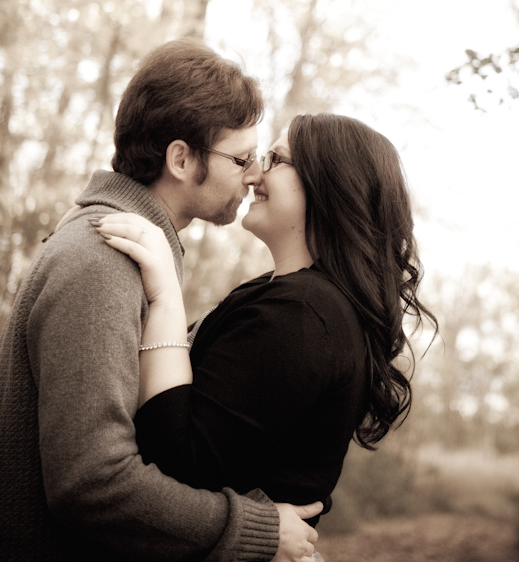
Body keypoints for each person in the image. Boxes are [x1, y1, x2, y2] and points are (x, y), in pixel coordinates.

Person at [0, 39, 321, 562]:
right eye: (240, 158)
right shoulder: (102, 262)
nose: (252, 175)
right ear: (180, 158)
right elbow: (91, 482)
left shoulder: (123, 252)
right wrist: (258, 530)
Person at [95, 112, 435, 533]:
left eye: (275, 159)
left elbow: (178, 464)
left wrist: (166, 298)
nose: (253, 174)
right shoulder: (289, 298)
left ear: (329, 185)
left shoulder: (303, 316)